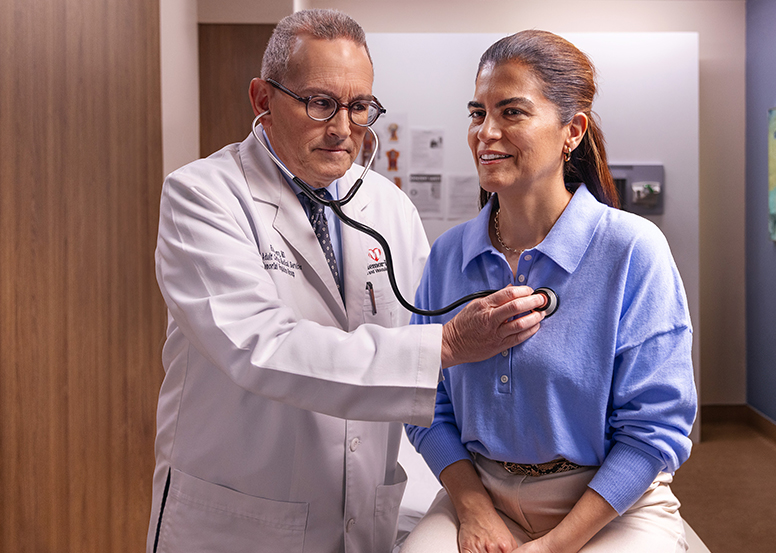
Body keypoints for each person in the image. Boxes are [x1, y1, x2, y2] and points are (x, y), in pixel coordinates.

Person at [146, 10, 546, 553]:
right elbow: (261, 348)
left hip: (360, 511)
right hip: (241, 516)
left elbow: (422, 358)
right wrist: (449, 343)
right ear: (262, 99)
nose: (342, 128)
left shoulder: (387, 207)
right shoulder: (204, 196)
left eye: (359, 107)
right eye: (319, 103)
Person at [403, 30, 697, 553]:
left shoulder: (632, 249)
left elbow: (654, 429)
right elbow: (424, 403)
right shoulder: (450, 255)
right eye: (477, 113)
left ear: (572, 131)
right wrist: (473, 510)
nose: (485, 133)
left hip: (609, 502)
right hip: (483, 491)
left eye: (511, 112)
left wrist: (553, 546)